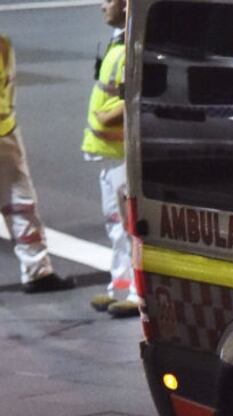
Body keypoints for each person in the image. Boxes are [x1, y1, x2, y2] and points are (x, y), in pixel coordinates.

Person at [0, 35, 75, 293]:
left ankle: (37, 271)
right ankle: (37, 270)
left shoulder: (3, 43)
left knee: (22, 204)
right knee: (21, 204)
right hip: (5, 133)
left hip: (5, 133)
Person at [84, 0, 137, 318]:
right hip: (109, 154)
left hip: (123, 154)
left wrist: (108, 117)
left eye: (108, 0)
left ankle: (135, 292)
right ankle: (119, 284)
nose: (101, 6)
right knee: (116, 224)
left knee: (130, 225)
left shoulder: (132, 43)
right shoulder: (118, 40)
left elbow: (136, 89)